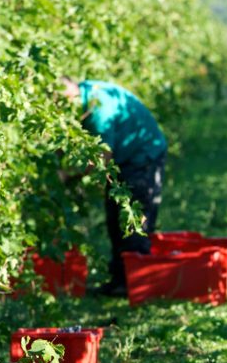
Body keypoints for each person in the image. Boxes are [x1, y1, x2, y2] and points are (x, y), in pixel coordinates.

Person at [59, 78, 167, 296]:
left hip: (143, 157)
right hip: (124, 159)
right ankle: (120, 281)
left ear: (73, 94)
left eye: (62, 103)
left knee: (135, 222)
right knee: (115, 219)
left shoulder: (98, 110)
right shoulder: (85, 93)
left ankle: (139, 286)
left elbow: (101, 158)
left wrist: (67, 174)